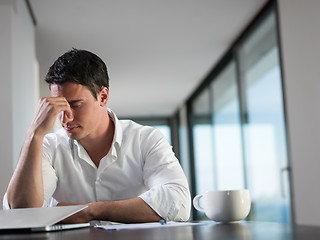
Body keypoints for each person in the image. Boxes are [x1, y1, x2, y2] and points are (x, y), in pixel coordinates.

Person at [3, 49, 191, 223]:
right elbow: (23, 213)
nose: (64, 118)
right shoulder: (47, 146)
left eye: (75, 105)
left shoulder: (146, 139)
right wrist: (34, 134)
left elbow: (178, 203)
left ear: (102, 96)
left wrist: (90, 211)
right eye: (59, 106)